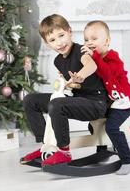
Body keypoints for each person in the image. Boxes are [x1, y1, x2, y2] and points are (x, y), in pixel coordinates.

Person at [20, 14, 108, 166]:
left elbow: (91, 66)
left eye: (61, 35)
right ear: (47, 44)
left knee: (57, 104)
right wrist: (66, 83)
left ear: (70, 32)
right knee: (30, 100)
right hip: (78, 99)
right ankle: (46, 146)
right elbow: (67, 79)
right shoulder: (58, 60)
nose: (59, 43)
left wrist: (79, 76)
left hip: (96, 103)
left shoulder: (81, 50)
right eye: (53, 40)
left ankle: (64, 151)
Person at [78, 20, 130, 175]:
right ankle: (102, 151)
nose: (89, 43)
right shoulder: (94, 59)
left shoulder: (113, 58)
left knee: (111, 127)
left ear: (107, 41)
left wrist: (95, 57)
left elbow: (106, 73)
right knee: (94, 123)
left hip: (123, 103)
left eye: (94, 39)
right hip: (109, 102)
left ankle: (128, 159)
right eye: (86, 39)